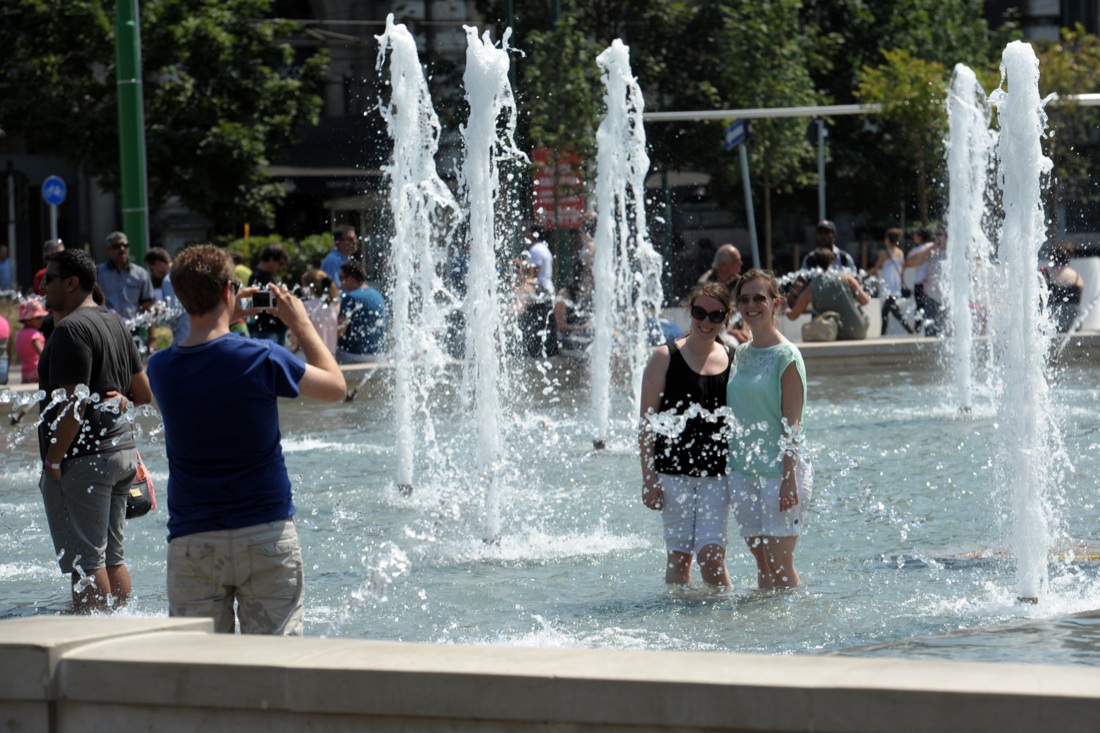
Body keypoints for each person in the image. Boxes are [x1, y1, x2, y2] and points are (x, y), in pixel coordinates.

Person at [146, 244, 346, 635]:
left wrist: (223, 310)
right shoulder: (262, 357)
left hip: (193, 538)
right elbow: (335, 386)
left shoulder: (160, 368)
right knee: (275, 671)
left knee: (198, 672)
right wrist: (300, 322)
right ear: (228, 291)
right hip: (265, 531)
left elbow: (205, 346)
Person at [36, 249, 152, 611]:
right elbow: (144, 394)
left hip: (83, 459)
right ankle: (119, 627)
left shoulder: (71, 330)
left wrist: (54, 462)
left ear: (71, 283)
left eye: (49, 279)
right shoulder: (114, 322)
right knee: (112, 556)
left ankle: (90, 635)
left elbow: (74, 407)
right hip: (120, 454)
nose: (42, 286)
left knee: (85, 560)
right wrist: (123, 403)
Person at [639, 282, 734, 587]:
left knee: (712, 557)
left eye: (715, 315)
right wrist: (649, 479)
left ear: (726, 317)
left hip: (717, 477)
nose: (706, 322)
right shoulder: (664, 357)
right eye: (699, 312)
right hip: (672, 475)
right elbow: (646, 424)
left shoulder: (735, 359)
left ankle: (725, 620)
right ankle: (679, 623)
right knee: (679, 559)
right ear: (689, 312)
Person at [726, 269, 811, 589]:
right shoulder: (742, 353)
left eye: (759, 298)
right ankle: (766, 630)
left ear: (775, 303)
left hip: (780, 474)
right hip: (743, 472)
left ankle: (794, 626)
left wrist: (789, 478)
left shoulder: (787, 356)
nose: (751, 305)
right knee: (762, 565)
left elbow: (794, 427)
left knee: (781, 564)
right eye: (744, 299)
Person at [787, 247, 871, 340]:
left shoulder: (811, 289)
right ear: (832, 262)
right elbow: (865, 300)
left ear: (813, 266)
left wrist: (784, 307)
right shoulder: (846, 278)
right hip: (858, 330)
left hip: (832, 333)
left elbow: (793, 315)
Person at [865, 227, 915, 335]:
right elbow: (902, 270)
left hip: (889, 287)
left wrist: (865, 276)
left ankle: (907, 330)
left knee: (889, 311)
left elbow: (876, 268)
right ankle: (904, 330)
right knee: (890, 310)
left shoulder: (885, 254)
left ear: (888, 239)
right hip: (896, 285)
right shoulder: (900, 253)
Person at [336, 259, 386, 364]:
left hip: (355, 355)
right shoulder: (377, 295)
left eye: (342, 278)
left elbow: (340, 331)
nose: (340, 283)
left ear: (352, 278)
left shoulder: (351, 297)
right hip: (378, 354)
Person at [97, 231, 155, 320]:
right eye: (117, 246)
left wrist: (151, 334)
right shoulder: (98, 273)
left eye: (125, 245)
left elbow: (148, 305)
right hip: (107, 326)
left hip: (133, 328)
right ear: (108, 250)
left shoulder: (141, 274)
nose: (122, 249)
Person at [514, 254, 556, 357]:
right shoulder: (541, 286)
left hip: (533, 346)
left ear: (519, 272)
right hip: (548, 345)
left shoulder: (524, 288)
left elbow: (517, 310)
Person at [905, 228, 946, 336]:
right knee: (931, 334)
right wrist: (931, 248)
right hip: (933, 298)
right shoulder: (932, 249)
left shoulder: (956, 252)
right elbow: (911, 262)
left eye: (943, 235)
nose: (940, 238)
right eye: (938, 235)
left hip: (950, 300)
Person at [248, 243, 290, 345]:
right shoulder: (256, 277)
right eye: (280, 263)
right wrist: (281, 300)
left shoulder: (270, 276)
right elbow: (258, 301)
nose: (280, 268)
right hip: (266, 329)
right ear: (271, 259)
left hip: (276, 327)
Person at [293, 268, 340, 354]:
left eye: (303, 285)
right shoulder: (332, 307)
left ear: (309, 287)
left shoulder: (305, 306)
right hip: (330, 358)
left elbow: (294, 339)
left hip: (308, 359)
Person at [1042, 242, 1084, 333]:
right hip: (1072, 321)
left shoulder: (1047, 273)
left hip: (1053, 319)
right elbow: (1079, 300)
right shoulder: (1077, 276)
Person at [16, 298, 49, 384]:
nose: (41, 321)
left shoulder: (20, 334)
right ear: (27, 319)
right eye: (37, 318)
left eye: (41, 318)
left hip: (26, 374)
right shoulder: (34, 335)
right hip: (37, 374)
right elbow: (42, 354)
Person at [525, 223, 554, 293]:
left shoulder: (536, 249)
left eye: (528, 232)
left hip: (541, 289)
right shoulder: (543, 247)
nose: (526, 235)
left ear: (533, 234)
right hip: (548, 287)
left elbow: (534, 273)